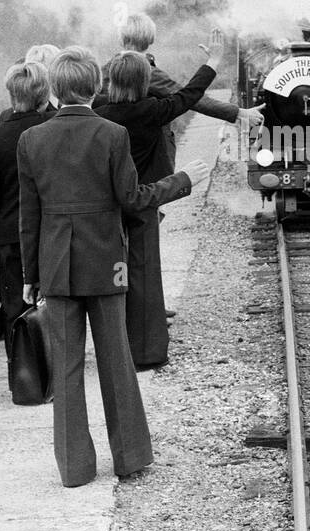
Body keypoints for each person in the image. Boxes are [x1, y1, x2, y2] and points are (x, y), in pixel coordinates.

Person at [16, 47, 211, 487]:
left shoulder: (31, 140)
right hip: (107, 263)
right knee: (116, 360)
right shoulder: (112, 134)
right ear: (95, 86)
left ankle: (75, 468)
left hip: (57, 267)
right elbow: (133, 200)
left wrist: (30, 276)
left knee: (65, 370)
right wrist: (183, 181)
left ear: (55, 88)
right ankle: (130, 457)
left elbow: (29, 217)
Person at [93, 46, 218, 368]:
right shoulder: (150, 110)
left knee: (113, 275)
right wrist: (211, 63)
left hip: (105, 206)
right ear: (143, 82)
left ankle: (115, 345)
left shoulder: (99, 111)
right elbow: (187, 96)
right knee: (145, 275)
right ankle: (146, 351)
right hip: (143, 202)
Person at [118, 12, 263, 171]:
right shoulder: (146, 72)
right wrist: (239, 112)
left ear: (122, 38)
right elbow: (189, 97)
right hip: (148, 155)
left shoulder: (109, 69)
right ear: (151, 38)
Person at [0, 61, 54, 362]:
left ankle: (22, 375)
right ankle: (53, 369)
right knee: (52, 301)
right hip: (50, 228)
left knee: (13, 304)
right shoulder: (52, 128)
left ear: (11, 94)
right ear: (43, 94)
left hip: (10, 233)